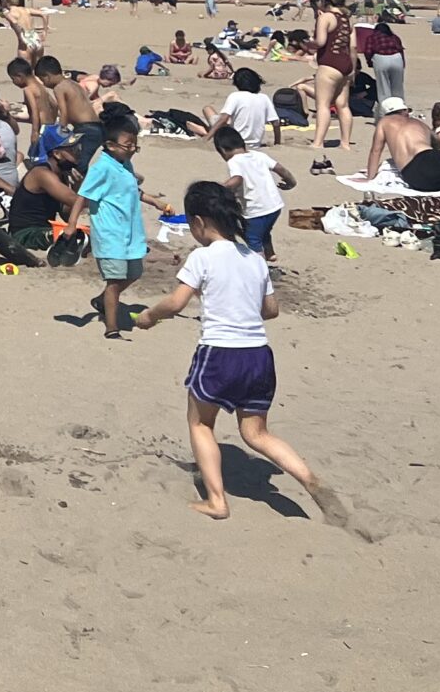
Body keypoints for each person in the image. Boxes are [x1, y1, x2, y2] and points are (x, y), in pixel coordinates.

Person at [135, 180, 347, 525]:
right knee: (256, 434)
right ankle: (309, 479)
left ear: (200, 222)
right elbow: (271, 310)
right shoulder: (254, 259)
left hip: (220, 353)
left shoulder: (202, 257)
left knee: (201, 423)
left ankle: (217, 501)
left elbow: (176, 303)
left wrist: (148, 317)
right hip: (258, 356)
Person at [80, 120, 165, 339]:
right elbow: (84, 195)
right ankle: (111, 327)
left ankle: (102, 300)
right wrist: (71, 225)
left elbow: (131, 189)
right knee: (114, 281)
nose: (132, 150)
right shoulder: (102, 167)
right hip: (110, 233)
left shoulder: (125, 164)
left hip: (129, 231)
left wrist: (154, 201)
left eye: (134, 145)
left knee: (135, 272)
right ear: (110, 145)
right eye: (128, 145)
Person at [213, 125, 294, 258]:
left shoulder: (234, 161)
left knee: (253, 238)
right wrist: (291, 182)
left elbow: (237, 179)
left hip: (256, 211)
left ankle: (260, 265)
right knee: (265, 230)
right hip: (275, 206)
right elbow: (280, 168)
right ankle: (270, 254)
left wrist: (221, 188)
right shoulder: (259, 155)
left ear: (222, 150)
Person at [306, 0, 358, 173]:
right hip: (345, 65)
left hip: (329, 64)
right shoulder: (347, 20)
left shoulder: (325, 18)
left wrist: (307, 43)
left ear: (322, 0)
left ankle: (318, 142)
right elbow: (353, 48)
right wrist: (352, 70)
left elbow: (320, 42)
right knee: (343, 106)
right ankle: (345, 143)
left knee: (323, 105)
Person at [211, 66, 280, 148]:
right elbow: (276, 123)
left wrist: (207, 138)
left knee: (208, 110)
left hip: (235, 142)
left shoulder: (235, 96)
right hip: (255, 143)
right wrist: (277, 143)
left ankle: (207, 134)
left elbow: (223, 118)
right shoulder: (264, 98)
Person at [362, 12, 407, 113]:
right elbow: (400, 50)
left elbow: (368, 51)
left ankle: (385, 111)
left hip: (380, 58)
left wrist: (369, 62)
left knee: (383, 86)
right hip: (396, 58)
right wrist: (403, 63)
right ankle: (400, 109)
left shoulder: (372, 37)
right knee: (397, 86)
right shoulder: (394, 37)